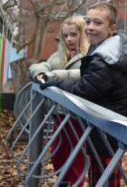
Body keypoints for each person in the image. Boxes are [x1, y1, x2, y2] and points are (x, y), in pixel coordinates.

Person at [41, 2, 127, 187]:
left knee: (104, 176)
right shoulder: (110, 47)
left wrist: (58, 84)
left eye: (97, 23)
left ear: (112, 28)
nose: (90, 27)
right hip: (109, 123)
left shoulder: (106, 57)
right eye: (88, 22)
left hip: (107, 126)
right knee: (103, 173)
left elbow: (85, 91)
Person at [28, 15, 89, 186]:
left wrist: (53, 76)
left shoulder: (89, 55)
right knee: (58, 156)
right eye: (65, 35)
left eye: (73, 34)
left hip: (78, 117)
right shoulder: (59, 55)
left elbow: (82, 75)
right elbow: (41, 66)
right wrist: (39, 74)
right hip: (59, 115)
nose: (69, 39)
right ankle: (62, 183)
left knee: (75, 159)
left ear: (82, 35)